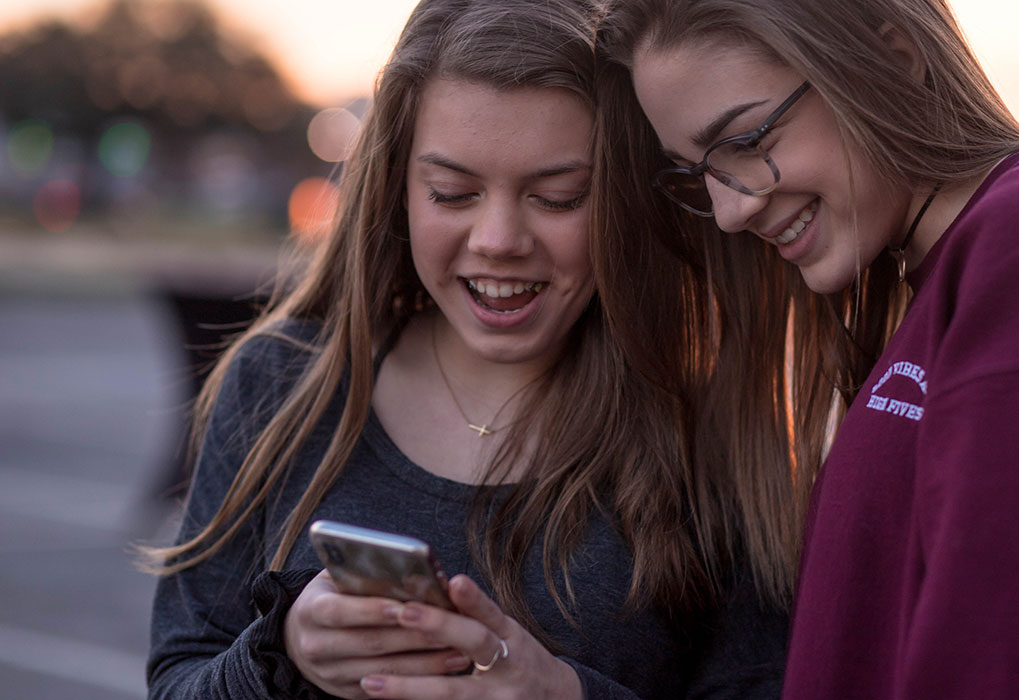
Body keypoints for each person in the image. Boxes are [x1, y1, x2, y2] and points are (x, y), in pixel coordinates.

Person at [141, 1, 798, 698]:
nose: (498, 239)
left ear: (629, 198)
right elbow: (178, 679)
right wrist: (280, 653)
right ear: (397, 188)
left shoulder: (711, 427)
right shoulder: (280, 384)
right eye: (453, 193)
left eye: (559, 196)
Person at [591, 0, 1019, 697]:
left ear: (893, 60)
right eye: (698, 173)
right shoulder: (945, 284)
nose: (730, 212)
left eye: (746, 140)